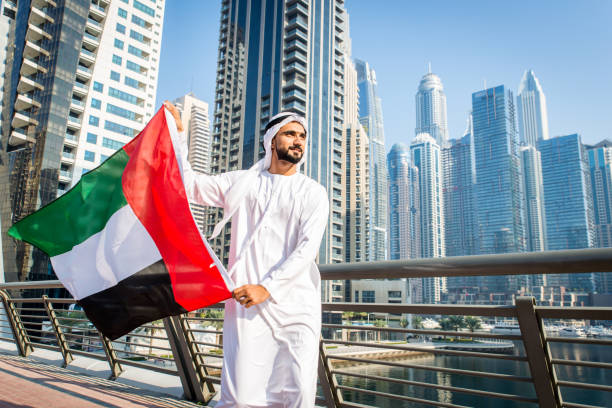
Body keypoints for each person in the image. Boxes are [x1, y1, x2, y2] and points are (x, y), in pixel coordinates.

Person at [164, 102, 329, 408]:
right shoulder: (244, 183)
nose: (298, 141)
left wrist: (268, 287)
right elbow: (190, 186)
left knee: (298, 392)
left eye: (303, 136)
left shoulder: (313, 192)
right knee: (241, 396)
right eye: (290, 133)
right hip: (246, 303)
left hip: (297, 306)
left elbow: (306, 250)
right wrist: (177, 136)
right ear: (271, 140)